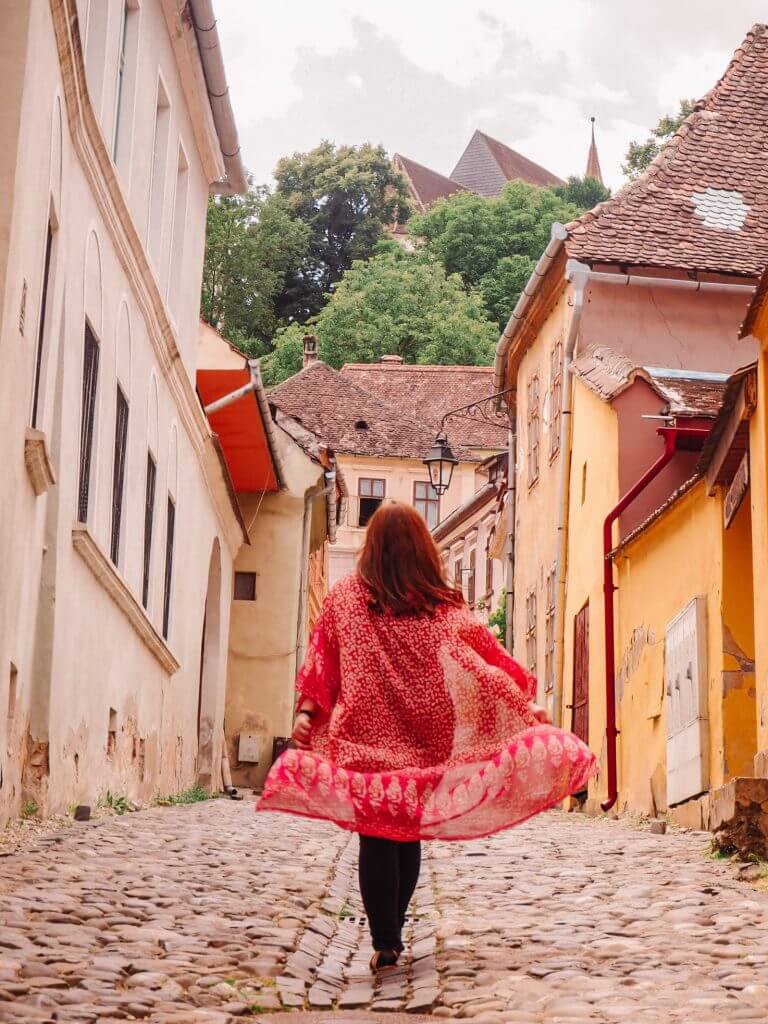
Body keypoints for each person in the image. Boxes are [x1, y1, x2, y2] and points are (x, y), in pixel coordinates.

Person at [258, 502, 596, 971]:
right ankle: (392, 929)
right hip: (425, 731)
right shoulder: (440, 606)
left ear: (370, 548)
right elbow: (486, 659)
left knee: (375, 835)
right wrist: (524, 704)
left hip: (363, 732)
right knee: (406, 832)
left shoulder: (344, 600)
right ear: (422, 549)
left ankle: (386, 939)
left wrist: (308, 710)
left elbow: (324, 663)